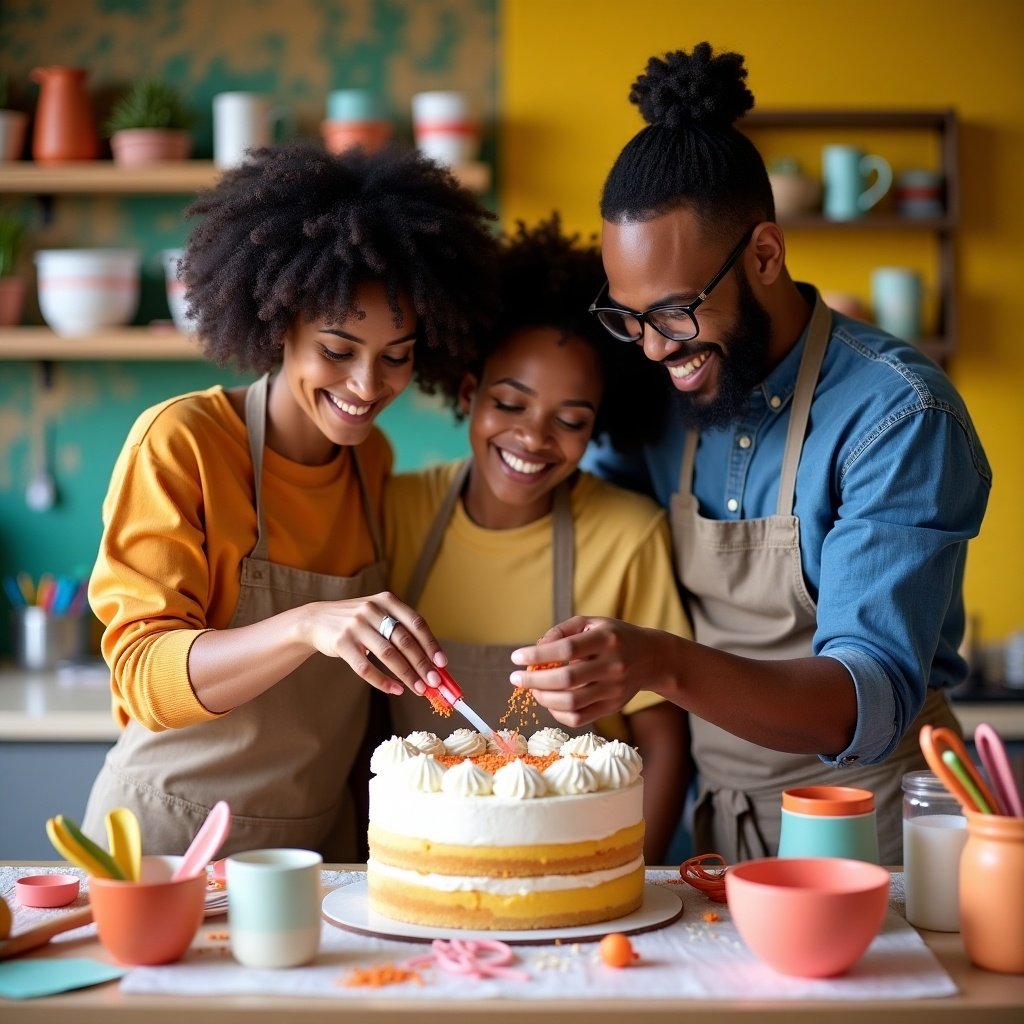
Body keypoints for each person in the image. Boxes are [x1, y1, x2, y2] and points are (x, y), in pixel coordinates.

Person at [513, 43, 991, 864]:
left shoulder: (898, 416)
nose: (655, 350)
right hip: (716, 817)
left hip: (872, 828)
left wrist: (656, 659)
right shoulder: (663, 395)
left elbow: (862, 702)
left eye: (673, 312)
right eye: (629, 318)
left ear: (765, 255)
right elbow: (602, 520)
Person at [82, 142, 500, 859]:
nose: (368, 386)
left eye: (395, 355)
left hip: (318, 847)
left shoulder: (372, 461)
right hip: (172, 844)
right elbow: (145, 676)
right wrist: (305, 624)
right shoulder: (182, 443)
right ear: (279, 327)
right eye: (338, 350)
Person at [384, 216, 691, 862]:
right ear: (469, 393)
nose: (532, 439)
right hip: (422, 864)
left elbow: (663, 742)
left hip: (581, 863)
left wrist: (635, 875)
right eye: (510, 404)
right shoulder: (394, 511)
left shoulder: (627, 535)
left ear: (594, 430)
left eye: (570, 421)